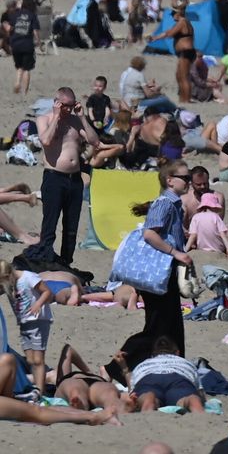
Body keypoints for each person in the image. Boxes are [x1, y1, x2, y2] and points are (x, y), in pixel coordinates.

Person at [109, 162, 193, 377]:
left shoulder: (174, 205)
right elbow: (149, 234)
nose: (189, 181)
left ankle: (174, 368)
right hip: (159, 272)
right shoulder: (164, 203)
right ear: (170, 180)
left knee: (171, 323)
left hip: (166, 272)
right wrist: (176, 252)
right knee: (159, 325)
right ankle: (115, 367)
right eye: (185, 177)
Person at [32, 87, 99, 267]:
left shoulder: (76, 122)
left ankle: (66, 262)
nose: (68, 110)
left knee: (71, 227)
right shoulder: (44, 119)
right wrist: (56, 116)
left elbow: (95, 141)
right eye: (65, 106)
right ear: (57, 103)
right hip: (54, 177)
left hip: (74, 179)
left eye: (71, 105)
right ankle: (44, 259)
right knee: (50, 223)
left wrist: (83, 117)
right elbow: (45, 141)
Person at [0, 259, 53, 394]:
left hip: (38, 321)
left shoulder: (28, 277)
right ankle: (35, 388)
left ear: (7, 276)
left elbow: (47, 292)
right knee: (30, 360)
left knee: (38, 359)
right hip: (24, 323)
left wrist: (38, 304)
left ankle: (41, 392)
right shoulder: (9, 284)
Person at [148, 3, 196, 103]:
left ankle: (186, 100)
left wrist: (155, 38)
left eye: (173, 14)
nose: (173, 16)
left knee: (184, 76)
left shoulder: (183, 22)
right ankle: (183, 98)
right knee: (179, 76)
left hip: (186, 52)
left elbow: (169, 33)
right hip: (184, 52)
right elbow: (169, 32)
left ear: (178, 13)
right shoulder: (181, 22)